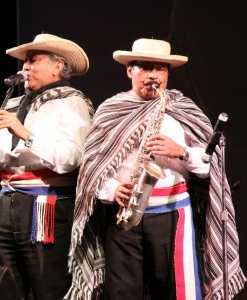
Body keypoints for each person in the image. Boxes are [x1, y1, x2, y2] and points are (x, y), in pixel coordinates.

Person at [67, 38, 246, 300]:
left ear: (167, 73)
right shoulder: (111, 109)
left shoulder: (183, 109)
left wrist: (181, 152)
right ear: (130, 70)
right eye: (145, 67)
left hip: (173, 214)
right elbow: (92, 167)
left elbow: (211, 169)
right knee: (121, 293)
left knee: (176, 291)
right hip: (124, 217)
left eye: (160, 69)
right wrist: (113, 189)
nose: (153, 75)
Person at [0, 33, 94, 300]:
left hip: (45, 204)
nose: (25, 67)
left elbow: (71, 157)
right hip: (6, 202)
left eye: (33, 60)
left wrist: (27, 134)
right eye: (25, 61)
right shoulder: (13, 104)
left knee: (47, 286)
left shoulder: (72, 102)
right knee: (6, 286)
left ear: (58, 66)